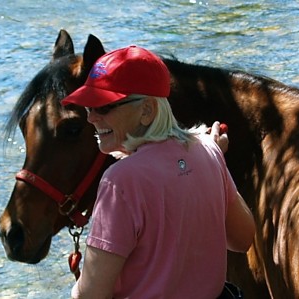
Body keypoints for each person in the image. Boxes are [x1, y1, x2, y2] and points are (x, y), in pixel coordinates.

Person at [62, 45, 255, 299]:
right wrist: (217, 160)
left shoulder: (120, 181)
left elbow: (91, 295)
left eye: (104, 107)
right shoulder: (208, 151)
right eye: (89, 107)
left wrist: (76, 287)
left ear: (147, 111)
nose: (91, 118)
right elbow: (242, 239)